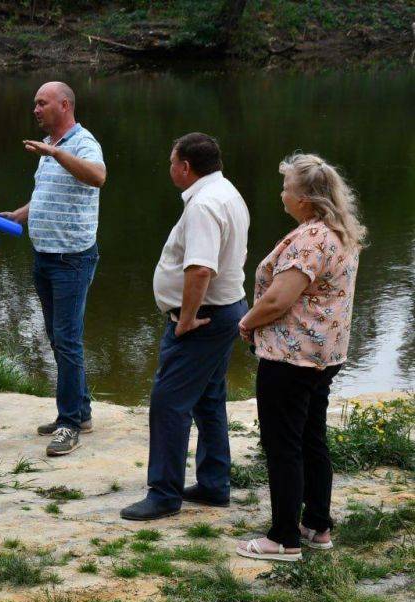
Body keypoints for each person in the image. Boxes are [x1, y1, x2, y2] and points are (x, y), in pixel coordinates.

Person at [236, 154, 365, 561]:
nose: (282, 194)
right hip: (324, 355)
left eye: (288, 188)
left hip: (292, 358)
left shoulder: (311, 239)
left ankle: (283, 538)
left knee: (283, 444)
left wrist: (247, 322)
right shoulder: (339, 232)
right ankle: (317, 526)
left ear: (306, 198)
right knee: (311, 437)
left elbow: (279, 298)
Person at [120, 133, 250, 521]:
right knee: (208, 399)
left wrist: (187, 318)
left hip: (203, 318)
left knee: (169, 403)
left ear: (185, 167)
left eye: (171, 161)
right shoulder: (227, 191)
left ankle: (163, 494)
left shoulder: (203, 205)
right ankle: (213, 484)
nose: (170, 168)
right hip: (225, 310)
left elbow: (200, 268)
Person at [0, 82, 106, 455]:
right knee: (59, 338)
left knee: (68, 339)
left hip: (71, 259)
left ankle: (69, 423)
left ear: (64, 105)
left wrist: (55, 153)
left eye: (41, 103)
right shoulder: (52, 150)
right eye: (34, 103)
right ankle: (81, 411)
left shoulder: (82, 143)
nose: (36, 109)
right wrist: (20, 215)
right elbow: (47, 194)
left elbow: (97, 176)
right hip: (45, 256)